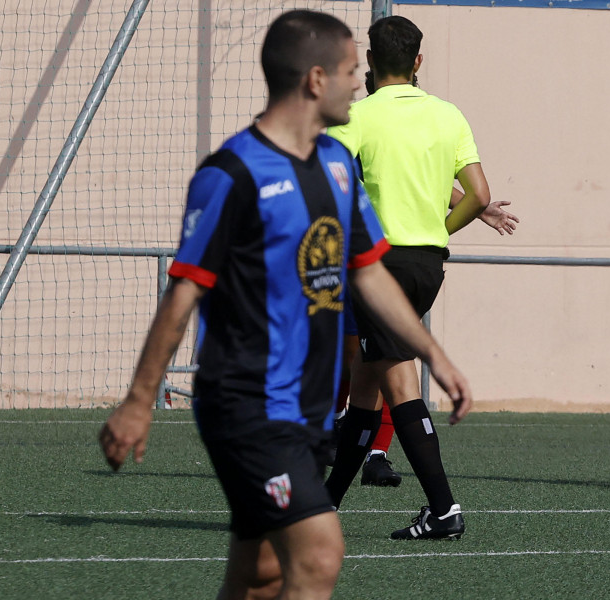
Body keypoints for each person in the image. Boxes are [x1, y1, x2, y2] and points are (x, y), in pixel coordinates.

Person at [98, 10, 472, 599]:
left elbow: (368, 273)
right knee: (320, 553)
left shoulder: (335, 165)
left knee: (260, 575)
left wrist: (435, 356)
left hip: (310, 409)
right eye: (352, 71)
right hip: (248, 406)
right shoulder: (232, 173)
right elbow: (184, 291)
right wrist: (139, 402)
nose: (361, 82)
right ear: (316, 80)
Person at [323, 15, 492, 540]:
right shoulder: (448, 115)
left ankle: (443, 510)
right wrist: (440, 229)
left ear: (370, 62)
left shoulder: (356, 117)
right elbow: (480, 196)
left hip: (380, 267)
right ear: (419, 62)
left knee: (397, 383)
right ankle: (322, 509)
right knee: (366, 390)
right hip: (427, 264)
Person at [332, 69, 519, 489]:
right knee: (363, 365)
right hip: (384, 260)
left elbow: (424, 181)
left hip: (381, 263)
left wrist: (470, 212)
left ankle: (429, 496)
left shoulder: (374, 119)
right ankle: (339, 471)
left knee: (387, 370)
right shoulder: (369, 120)